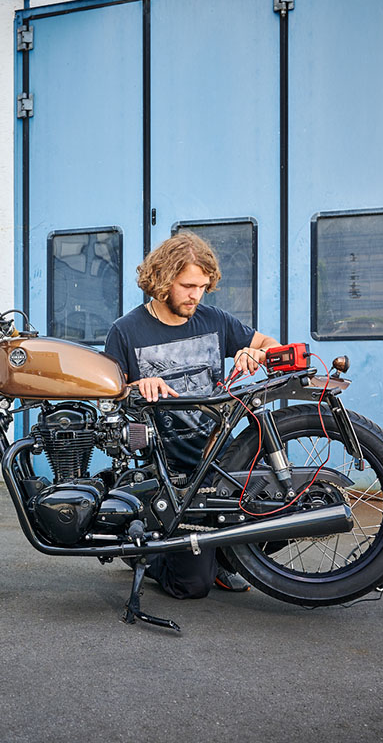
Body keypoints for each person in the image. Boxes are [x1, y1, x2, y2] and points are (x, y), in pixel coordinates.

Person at [103, 232, 280, 599]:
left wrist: (256, 354)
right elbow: (110, 401)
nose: (195, 296)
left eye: (202, 286)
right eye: (187, 286)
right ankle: (149, 556)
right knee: (192, 586)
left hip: (222, 458)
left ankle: (222, 557)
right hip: (169, 474)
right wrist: (138, 387)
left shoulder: (215, 320)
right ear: (163, 281)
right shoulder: (125, 330)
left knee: (284, 509)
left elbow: (270, 344)